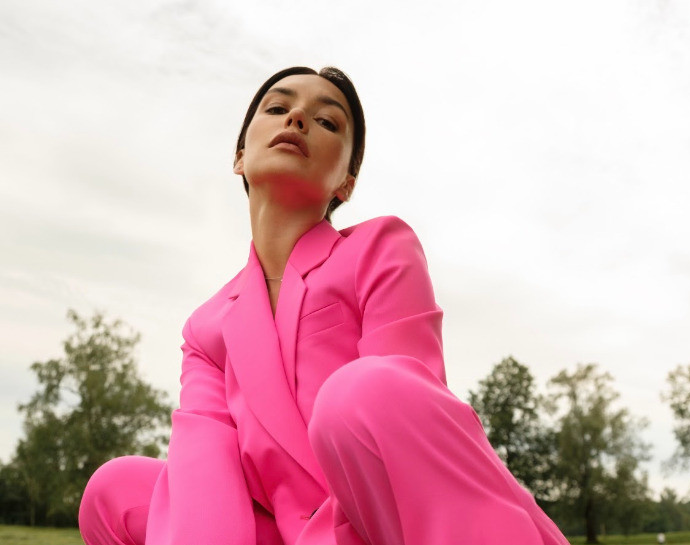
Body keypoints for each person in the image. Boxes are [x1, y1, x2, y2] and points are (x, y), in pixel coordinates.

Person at [78, 66, 570, 545]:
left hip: (388, 519)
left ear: (346, 183)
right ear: (239, 156)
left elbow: (406, 425)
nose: (297, 118)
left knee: (363, 389)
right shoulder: (206, 329)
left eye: (327, 121)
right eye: (278, 108)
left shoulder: (381, 247)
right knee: (116, 489)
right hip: (285, 530)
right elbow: (206, 471)